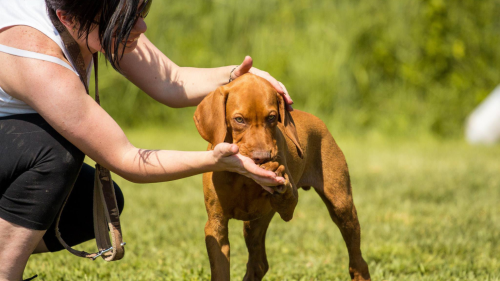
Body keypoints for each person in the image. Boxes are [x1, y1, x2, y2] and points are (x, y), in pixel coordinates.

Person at [0, 0, 293, 280]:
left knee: (95, 205)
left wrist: (239, 76)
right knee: (56, 151)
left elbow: (170, 80)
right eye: (129, 19)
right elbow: (126, 158)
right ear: (67, 19)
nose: (141, 26)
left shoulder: (92, 14)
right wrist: (216, 160)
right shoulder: (37, 58)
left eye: (142, 10)